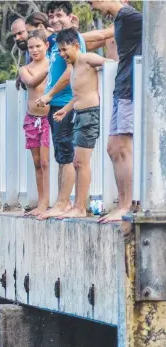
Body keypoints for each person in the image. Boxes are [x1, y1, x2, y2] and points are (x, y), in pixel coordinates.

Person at [89, 0, 142, 223]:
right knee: (113, 148)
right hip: (121, 87)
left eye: (91, 2)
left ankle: (127, 205)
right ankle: (122, 203)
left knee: (123, 147)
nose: (91, 7)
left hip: (131, 88)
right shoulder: (120, 20)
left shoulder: (130, 15)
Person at [35, 1, 88, 220]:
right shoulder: (57, 39)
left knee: (66, 154)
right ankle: (61, 202)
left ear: (70, 17)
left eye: (59, 15)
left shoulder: (71, 38)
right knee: (61, 154)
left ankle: (64, 202)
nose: (55, 20)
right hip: (57, 105)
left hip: (66, 103)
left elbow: (70, 71)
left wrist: (48, 94)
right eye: (51, 16)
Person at [52, 28, 110, 219]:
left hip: (90, 115)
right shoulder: (75, 67)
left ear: (76, 45)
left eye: (64, 49)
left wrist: (111, 68)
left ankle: (79, 207)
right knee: (78, 163)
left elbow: (108, 63)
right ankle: (78, 206)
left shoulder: (85, 59)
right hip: (80, 114)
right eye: (59, 51)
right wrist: (65, 109)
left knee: (80, 162)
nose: (62, 54)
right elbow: (77, 96)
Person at [19, 30, 51, 216]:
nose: (34, 50)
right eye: (31, 47)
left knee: (46, 162)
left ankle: (46, 202)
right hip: (32, 119)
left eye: (38, 46)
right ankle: (41, 201)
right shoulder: (25, 69)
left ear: (46, 46)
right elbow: (30, 83)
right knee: (37, 162)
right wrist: (47, 70)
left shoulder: (54, 64)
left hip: (47, 118)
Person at [11, 18, 30, 91]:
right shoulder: (28, 52)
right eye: (14, 36)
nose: (17, 38)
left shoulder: (46, 50)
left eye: (20, 33)